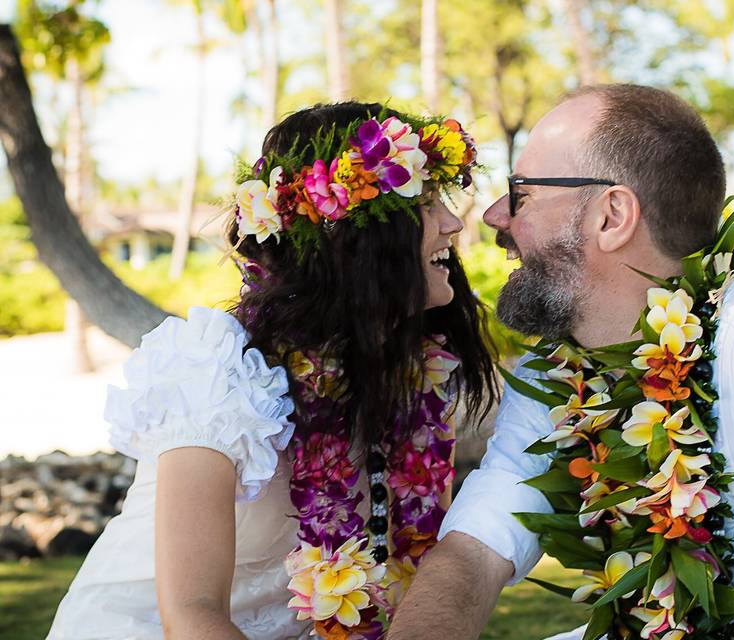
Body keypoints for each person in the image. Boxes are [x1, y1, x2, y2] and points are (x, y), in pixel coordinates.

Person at [387, 84, 734, 640]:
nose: (492, 215)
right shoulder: (564, 367)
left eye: (522, 193)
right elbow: (475, 549)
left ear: (612, 216)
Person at [47, 101, 498, 639]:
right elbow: (191, 615)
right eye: (425, 204)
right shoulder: (223, 369)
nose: (454, 223)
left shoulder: (411, 372)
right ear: (352, 240)